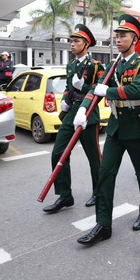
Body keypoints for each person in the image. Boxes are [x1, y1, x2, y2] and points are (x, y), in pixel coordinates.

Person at [76, 15, 140, 246]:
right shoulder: (112, 66)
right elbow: (94, 89)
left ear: (134, 39)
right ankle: (103, 224)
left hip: (139, 125)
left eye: (123, 35)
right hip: (116, 127)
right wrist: (83, 109)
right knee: (105, 174)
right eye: (117, 35)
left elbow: (138, 90)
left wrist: (107, 92)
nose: (118, 39)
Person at [42, 24, 105, 214]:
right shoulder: (71, 65)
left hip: (88, 115)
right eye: (71, 41)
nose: (72, 44)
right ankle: (65, 195)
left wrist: (84, 87)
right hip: (71, 114)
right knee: (58, 153)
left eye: (76, 41)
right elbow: (70, 87)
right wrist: (65, 101)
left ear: (86, 44)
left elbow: (98, 93)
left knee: (94, 157)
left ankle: (99, 191)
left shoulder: (96, 66)